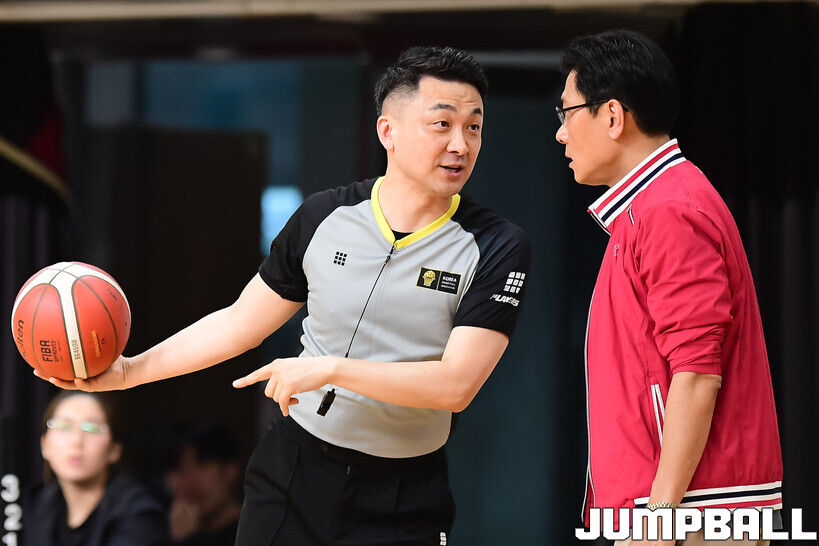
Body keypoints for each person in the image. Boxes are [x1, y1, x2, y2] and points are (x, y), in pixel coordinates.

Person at [41, 45, 531, 544]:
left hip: (405, 493)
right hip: (295, 471)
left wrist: (329, 369)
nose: (460, 144)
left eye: (474, 127)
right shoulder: (323, 217)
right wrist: (129, 372)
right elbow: (239, 323)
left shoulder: (495, 244)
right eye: (442, 124)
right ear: (388, 131)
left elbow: (455, 385)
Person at [555, 30, 782, 545]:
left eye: (566, 113)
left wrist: (659, 514)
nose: (561, 134)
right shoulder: (652, 206)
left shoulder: (669, 209)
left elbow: (697, 372)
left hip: (693, 513)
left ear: (613, 117)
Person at [22, 391, 169, 546]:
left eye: (92, 428)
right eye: (63, 426)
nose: (76, 441)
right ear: (44, 444)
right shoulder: (33, 508)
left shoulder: (139, 512)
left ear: (114, 449)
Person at [162, 421, 242, 546]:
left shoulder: (256, 534)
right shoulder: (157, 532)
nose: (189, 481)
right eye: (179, 469)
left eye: (201, 464)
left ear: (231, 470)